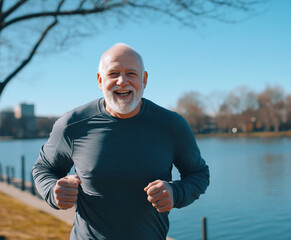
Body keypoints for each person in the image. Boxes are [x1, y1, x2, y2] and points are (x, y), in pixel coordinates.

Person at [32, 43, 210, 240]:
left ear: (144, 79)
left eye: (131, 73)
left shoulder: (171, 125)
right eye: (113, 73)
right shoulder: (72, 125)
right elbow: (44, 168)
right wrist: (52, 191)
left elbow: (198, 174)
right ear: (100, 80)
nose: (122, 81)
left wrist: (176, 192)